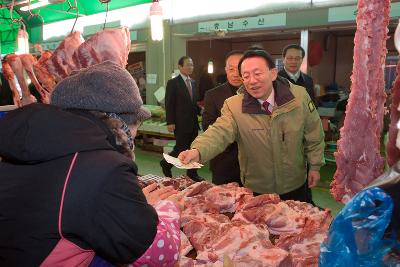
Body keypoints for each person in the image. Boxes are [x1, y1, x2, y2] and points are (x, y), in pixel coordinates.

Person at [0, 61, 181, 266]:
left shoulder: (27, 146)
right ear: (120, 122)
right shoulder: (105, 169)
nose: (136, 134)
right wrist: (166, 208)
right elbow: (162, 255)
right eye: (136, 124)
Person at [179, 49, 325, 203]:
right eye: (246, 76)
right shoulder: (234, 105)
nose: (252, 81)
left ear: (273, 73)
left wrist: (315, 166)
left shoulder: (299, 98)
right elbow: (218, 131)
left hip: (295, 184)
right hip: (257, 187)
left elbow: (314, 133)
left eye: (258, 73)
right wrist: (198, 150)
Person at [202, 50, 243, 185]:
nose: (236, 74)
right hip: (224, 159)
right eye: (231, 69)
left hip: (255, 163)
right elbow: (208, 126)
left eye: (240, 69)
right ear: (226, 70)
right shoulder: (212, 95)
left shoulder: (257, 93)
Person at [160, 56, 203, 181]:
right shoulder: (173, 83)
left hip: (193, 122)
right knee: (180, 148)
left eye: (192, 65)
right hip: (180, 123)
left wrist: (201, 111)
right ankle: (166, 163)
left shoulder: (193, 83)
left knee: (194, 149)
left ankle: (192, 173)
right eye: (188, 65)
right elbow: (169, 103)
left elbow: (193, 103)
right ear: (180, 67)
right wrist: (170, 121)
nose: (191, 67)